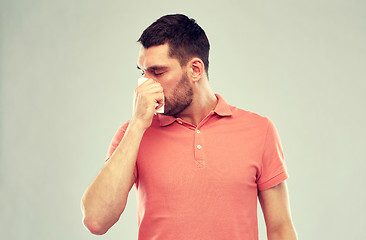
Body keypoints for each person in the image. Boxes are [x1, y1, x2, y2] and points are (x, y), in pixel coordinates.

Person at [81, 14, 297, 240]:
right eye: (142, 72)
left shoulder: (259, 130)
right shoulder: (132, 134)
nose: (144, 85)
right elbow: (96, 220)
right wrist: (136, 126)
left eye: (158, 72)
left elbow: (280, 228)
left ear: (195, 69)